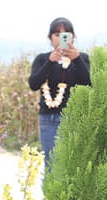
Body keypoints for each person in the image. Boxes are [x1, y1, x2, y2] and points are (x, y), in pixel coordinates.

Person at [28, 17, 91, 166]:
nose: (61, 38)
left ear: (73, 37)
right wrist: (50, 62)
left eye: (66, 34)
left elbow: (88, 83)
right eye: (57, 34)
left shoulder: (82, 58)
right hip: (49, 120)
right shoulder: (42, 59)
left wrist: (76, 59)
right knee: (52, 165)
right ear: (50, 38)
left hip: (76, 119)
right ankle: (51, 191)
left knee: (75, 165)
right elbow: (34, 84)